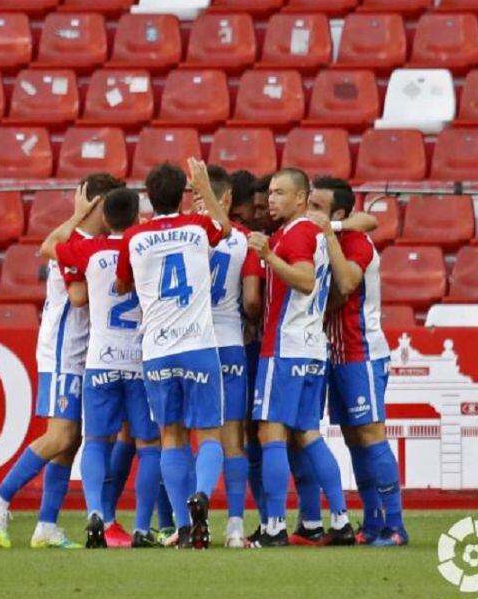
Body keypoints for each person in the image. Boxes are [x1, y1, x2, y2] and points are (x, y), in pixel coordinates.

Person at [0, 174, 124, 549]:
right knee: (59, 434)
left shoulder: (95, 243)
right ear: (98, 205)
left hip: (83, 349)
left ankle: (46, 524)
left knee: (70, 441)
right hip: (63, 349)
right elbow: (77, 296)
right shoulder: (71, 244)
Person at [116, 160, 230, 549]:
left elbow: (121, 284)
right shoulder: (198, 228)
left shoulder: (133, 237)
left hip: (158, 351)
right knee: (210, 433)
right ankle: (201, 494)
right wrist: (207, 190)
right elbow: (225, 229)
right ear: (184, 194)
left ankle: (184, 526)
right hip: (198, 345)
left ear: (147, 197)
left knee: (171, 437)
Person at [49, 188, 164, 548]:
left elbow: (53, 245)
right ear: (135, 217)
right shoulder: (146, 247)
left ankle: (95, 513)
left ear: (105, 218)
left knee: (96, 442)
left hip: (99, 362)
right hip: (139, 362)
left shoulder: (89, 250)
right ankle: (144, 527)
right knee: (149, 445)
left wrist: (79, 215)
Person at [246, 168, 351, 548]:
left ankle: (273, 526)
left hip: (286, 347)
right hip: (310, 347)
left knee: (270, 432)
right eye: (270, 192)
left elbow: (305, 281)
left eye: (279, 193)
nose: (271, 199)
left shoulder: (299, 233)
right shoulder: (312, 233)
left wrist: (268, 256)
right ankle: (339, 519)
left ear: (301, 198)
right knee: (307, 434)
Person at [307, 177, 408, 547]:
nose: (309, 212)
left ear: (338, 214)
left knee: (370, 434)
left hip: (362, 352)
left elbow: (348, 283)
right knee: (353, 439)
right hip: (335, 352)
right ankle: (372, 521)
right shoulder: (321, 239)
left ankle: (395, 526)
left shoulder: (357, 242)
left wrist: (331, 234)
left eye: (316, 207)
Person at [194, 165, 252, 548]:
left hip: (194, 344)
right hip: (232, 341)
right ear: (227, 199)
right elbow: (251, 299)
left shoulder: (181, 235)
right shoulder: (245, 239)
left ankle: (188, 524)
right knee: (235, 438)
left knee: (190, 437)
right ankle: (235, 527)